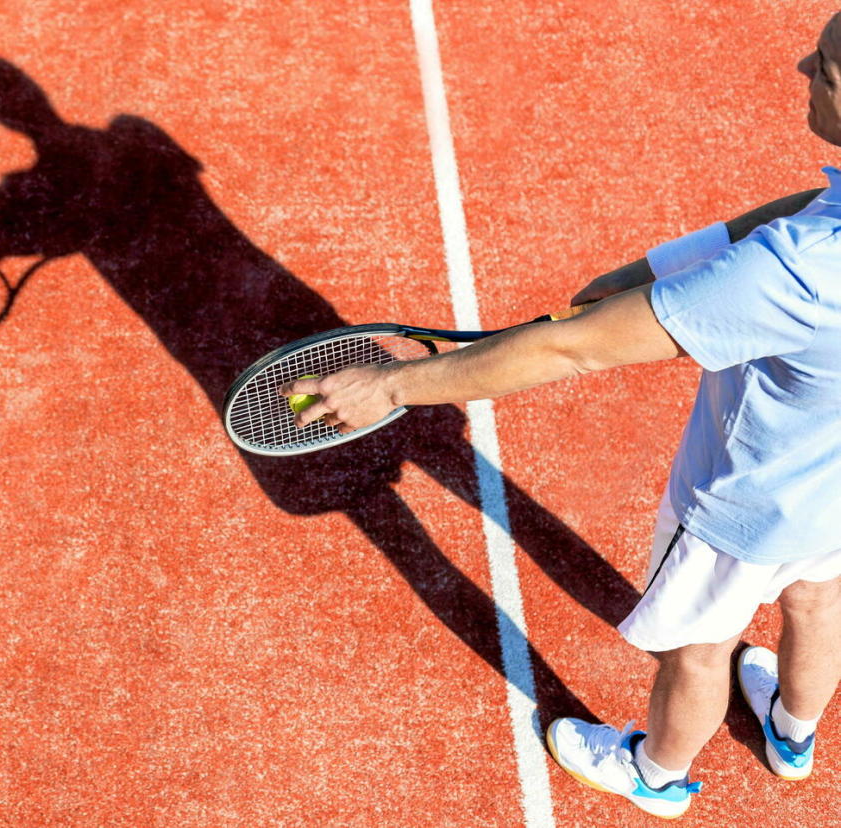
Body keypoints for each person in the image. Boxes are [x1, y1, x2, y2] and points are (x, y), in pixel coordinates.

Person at [281, 13, 841, 820]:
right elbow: (819, 200)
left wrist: (394, 388)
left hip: (747, 504)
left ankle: (658, 774)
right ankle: (793, 734)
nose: (800, 65)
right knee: (819, 602)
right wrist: (652, 269)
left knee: (701, 648)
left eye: (822, 69)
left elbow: (573, 351)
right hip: (832, 494)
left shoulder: (801, 273)